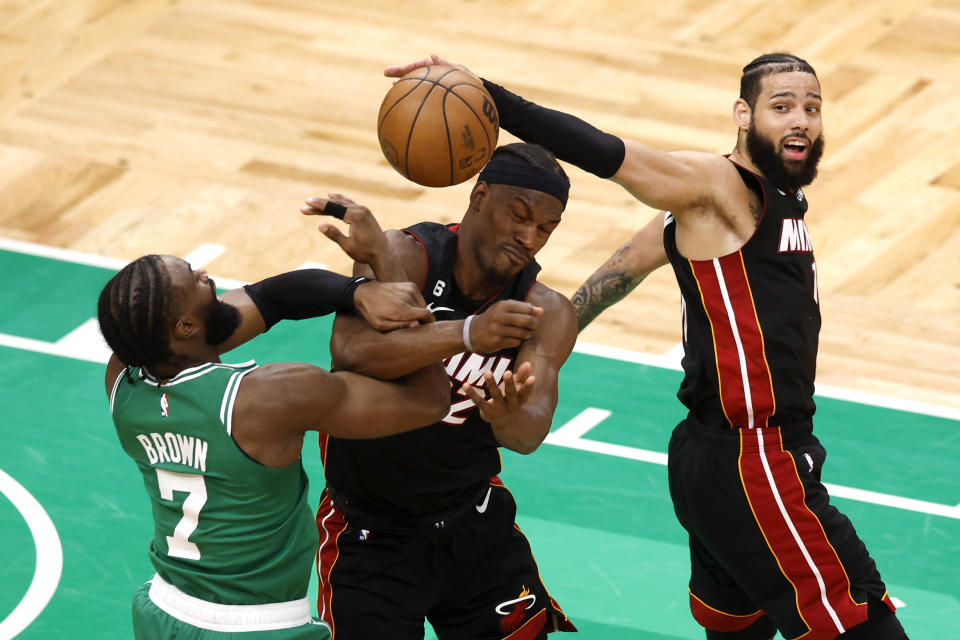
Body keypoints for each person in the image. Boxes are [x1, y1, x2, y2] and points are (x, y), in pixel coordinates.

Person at [385, 54, 909, 640]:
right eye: (781, 106)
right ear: (743, 115)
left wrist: (547, 342)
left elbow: (626, 265)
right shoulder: (716, 186)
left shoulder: (745, 202)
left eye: (812, 108)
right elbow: (605, 151)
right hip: (755, 459)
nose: (801, 121)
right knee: (863, 622)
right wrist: (489, 99)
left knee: (739, 626)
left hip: (709, 461)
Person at [98, 202, 450, 640]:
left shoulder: (122, 383)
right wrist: (384, 263)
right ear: (186, 327)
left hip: (163, 611)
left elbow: (272, 297)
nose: (207, 274)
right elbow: (429, 400)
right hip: (257, 628)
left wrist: (355, 292)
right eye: (196, 278)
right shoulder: (268, 395)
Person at [304, 143, 578, 639]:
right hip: (369, 532)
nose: (529, 237)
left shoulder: (546, 311)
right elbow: (350, 350)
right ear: (479, 195)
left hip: (472, 525)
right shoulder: (405, 256)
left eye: (545, 229)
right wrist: (468, 333)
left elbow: (527, 435)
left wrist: (505, 414)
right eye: (519, 216)